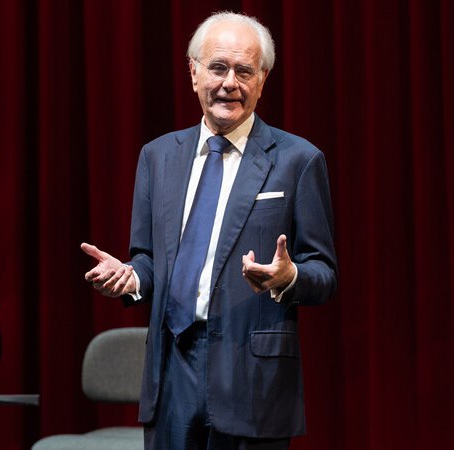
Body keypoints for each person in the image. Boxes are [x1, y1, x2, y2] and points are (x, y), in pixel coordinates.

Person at [81, 11, 337, 450]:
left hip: (251, 375)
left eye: (244, 71)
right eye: (218, 67)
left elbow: (324, 273)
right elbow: (149, 259)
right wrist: (132, 276)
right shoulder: (158, 156)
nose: (229, 83)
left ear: (262, 80)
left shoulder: (298, 160)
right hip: (171, 369)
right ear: (194, 72)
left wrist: (289, 276)